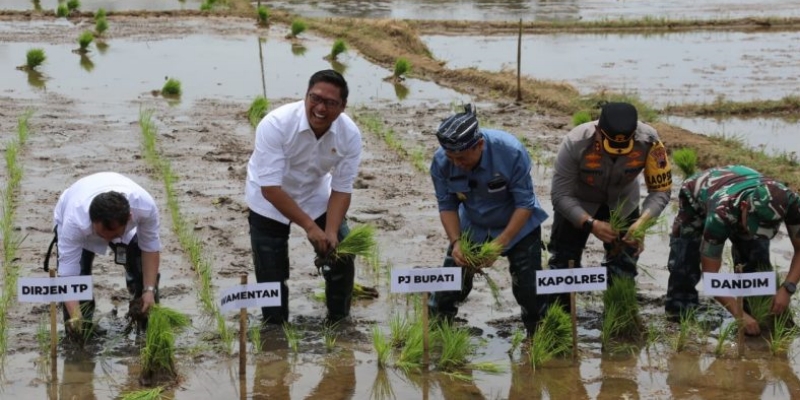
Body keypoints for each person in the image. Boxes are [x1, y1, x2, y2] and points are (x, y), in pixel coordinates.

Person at [245, 69, 362, 326]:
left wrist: (330, 231)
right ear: (306, 96)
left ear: (343, 107)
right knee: (272, 274)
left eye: (330, 103)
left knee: (342, 254)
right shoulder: (276, 124)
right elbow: (271, 189)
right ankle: (275, 329)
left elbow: (342, 187)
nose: (320, 108)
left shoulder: (349, 135)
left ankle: (339, 320)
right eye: (315, 98)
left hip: (314, 193)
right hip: (268, 199)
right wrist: (309, 227)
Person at [427, 104, 549, 336]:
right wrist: (456, 242)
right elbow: (447, 205)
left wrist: (500, 244)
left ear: (479, 145)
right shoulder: (442, 162)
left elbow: (525, 204)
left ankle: (539, 337)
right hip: (474, 223)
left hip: (518, 224)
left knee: (529, 289)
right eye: (451, 158)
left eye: (461, 158)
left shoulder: (511, 152)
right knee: (449, 285)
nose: (456, 164)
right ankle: (436, 335)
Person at [546, 102, 672, 311]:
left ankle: (618, 317)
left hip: (623, 202)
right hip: (580, 202)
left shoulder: (650, 141)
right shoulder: (576, 142)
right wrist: (590, 223)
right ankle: (559, 318)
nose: (618, 153)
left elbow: (661, 190)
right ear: (598, 132)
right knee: (563, 261)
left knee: (624, 264)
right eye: (612, 146)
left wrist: (642, 223)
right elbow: (560, 195)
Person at [665, 165, 800, 335]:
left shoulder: (790, 202)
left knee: (757, 261)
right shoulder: (720, 215)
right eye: (753, 227)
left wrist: (787, 289)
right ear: (744, 207)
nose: (755, 234)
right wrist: (738, 314)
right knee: (684, 263)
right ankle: (678, 318)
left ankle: (756, 313)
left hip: (743, 181)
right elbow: (711, 276)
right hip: (698, 196)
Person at [47, 172, 162, 339]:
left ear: (129, 218)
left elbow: (150, 248)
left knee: (140, 268)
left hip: (124, 230)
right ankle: (80, 332)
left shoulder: (144, 207)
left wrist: (149, 289)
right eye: (103, 234)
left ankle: (144, 323)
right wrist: (75, 314)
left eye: (112, 234)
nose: (108, 240)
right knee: (80, 278)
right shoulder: (75, 220)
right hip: (81, 231)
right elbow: (68, 273)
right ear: (92, 220)